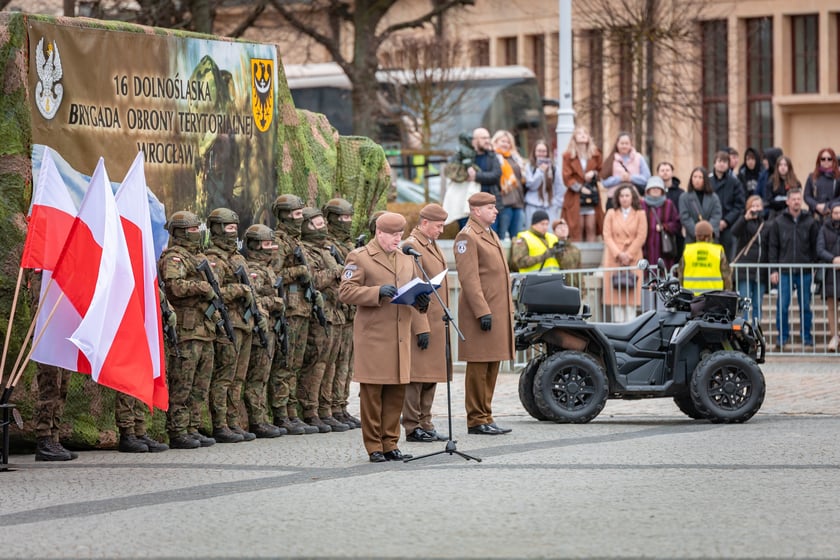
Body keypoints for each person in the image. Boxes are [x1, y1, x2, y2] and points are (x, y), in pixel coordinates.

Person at [339, 212, 429, 462]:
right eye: (393, 235)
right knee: (372, 394)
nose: (397, 239)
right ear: (379, 233)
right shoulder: (360, 257)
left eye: (400, 234)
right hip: (374, 337)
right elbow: (345, 291)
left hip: (400, 336)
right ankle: (374, 446)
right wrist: (376, 292)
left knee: (396, 393)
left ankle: (391, 443)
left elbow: (411, 290)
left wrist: (422, 303)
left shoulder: (406, 258)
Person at [453, 192, 515, 435]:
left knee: (492, 364)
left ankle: (486, 415)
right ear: (476, 210)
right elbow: (469, 279)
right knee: (479, 367)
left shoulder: (489, 233)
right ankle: (476, 418)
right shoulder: (467, 236)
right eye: (490, 207)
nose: (496, 211)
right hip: (481, 312)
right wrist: (482, 311)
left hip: (496, 310)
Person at [158, 210, 217, 449]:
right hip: (187, 329)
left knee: (199, 384)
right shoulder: (175, 257)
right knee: (182, 382)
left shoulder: (198, 257)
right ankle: (178, 430)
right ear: (181, 232)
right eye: (193, 230)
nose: (197, 234)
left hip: (204, 329)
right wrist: (202, 287)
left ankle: (192, 426)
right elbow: (174, 287)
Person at [205, 208, 257, 443]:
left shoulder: (239, 258)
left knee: (238, 377)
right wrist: (240, 290)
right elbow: (214, 293)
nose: (232, 232)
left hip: (244, 323)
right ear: (216, 229)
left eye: (235, 228)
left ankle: (234, 422)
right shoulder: (213, 259)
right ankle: (220, 424)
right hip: (229, 325)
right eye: (228, 228)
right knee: (224, 377)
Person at [268, 195, 318, 435]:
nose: (300, 219)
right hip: (289, 309)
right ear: (285, 215)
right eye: (297, 214)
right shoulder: (279, 242)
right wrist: (298, 270)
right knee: (284, 364)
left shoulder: (296, 242)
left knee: (296, 364)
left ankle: (291, 411)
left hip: (302, 309)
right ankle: (281, 413)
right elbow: (274, 274)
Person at [298, 207, 350, 433]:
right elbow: (314, 280)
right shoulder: (304, 250)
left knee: (332, 364)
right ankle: (311, 410)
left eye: (321, 223)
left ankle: (329, 408)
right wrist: (337, 272)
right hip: (322, 313)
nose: (321, 227)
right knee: (317, 363)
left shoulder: (327, 249)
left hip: (337, 311)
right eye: (314, 224)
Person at [402, 203, 450, 443]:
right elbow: (413, 288)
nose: (441, 230)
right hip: (422, 320)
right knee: (417, 377)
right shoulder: (412, 246)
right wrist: (420, 326)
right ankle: (412, 426)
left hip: (436, 320)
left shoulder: (431, 244)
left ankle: (426, 422)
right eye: (438, 226)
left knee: (431, 375)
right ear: (424, 223)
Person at [241, 224, 286, 438]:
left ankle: (261, 418)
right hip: (261, 328)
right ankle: (256, 420)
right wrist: (274, 301)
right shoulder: (253, 269)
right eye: (267, 244)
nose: (271, 248)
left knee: (264, 375)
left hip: (270, 327)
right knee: (257, 376)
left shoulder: (267, 268)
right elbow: (254, 299)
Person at [28, 271, 78, 461]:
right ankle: (44, 438)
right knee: (49, 386)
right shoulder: (42, 268)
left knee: (63, 384)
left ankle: (54, 437)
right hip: (47, 332)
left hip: (63, 326)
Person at [322, 198, 362, 428]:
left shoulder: (348, 245)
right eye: (342, 218)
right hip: (334, 308)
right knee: (330, 363)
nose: (347, 222)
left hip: (349, 311)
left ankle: (340, 405)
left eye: (349, 217)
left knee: (346, 363)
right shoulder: (328, 246)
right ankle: (327, 407)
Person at [768, 188, 819, 350]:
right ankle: (782, 338)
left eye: (799, 199)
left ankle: (807, 337)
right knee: (782, 306)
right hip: (784, 271)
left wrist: (815, 266)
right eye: (794, 199)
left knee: (805, 306)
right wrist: (773, 270)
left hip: (804, 271)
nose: (797, 201)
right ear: (788, 201)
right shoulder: (779, 221)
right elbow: (773, 247)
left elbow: (815, 245)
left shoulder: (810, 221)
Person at [602, 184, 648, 322]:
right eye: (621, 196)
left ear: (632, 197)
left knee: (631, 300)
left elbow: (641, 236)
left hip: (633, 259)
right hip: (614, 259)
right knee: (616, 300)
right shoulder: (611, 213)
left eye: (627, 195)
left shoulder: (640, 214)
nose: (624, 199)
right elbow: (607, 235)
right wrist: (619, 254)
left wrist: (628, 254)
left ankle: (631, 327)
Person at [562, 126, 604, 241]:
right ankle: (578, 257)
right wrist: (580, 188)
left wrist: (594, 173)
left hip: (592, 194)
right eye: (579, 133)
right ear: (574, 137)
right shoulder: (568, 156)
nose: (582, 135)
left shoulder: (596, 154)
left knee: (591, 226)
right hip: (575, 196)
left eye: (585, 132)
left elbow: (602, 171)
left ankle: (590, 257)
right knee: (577, 227)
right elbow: (566, 177)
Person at [731, 195, 769, 322]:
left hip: (760, 270)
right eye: (753, 205)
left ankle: (756, 330)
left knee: (758, 303)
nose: (756, 208)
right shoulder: (744, 222)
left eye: (758, 205)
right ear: (748, 208)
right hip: (745, 270)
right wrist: (744, 218)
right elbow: (734, 232)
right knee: (744, 302)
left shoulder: (766, 224)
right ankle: (743, 329)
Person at [709, 150, 746, 260]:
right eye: (719, 161)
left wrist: (726, 221)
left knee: (728, 258)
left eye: (725, 162)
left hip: (729, 226)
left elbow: (739, 205)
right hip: (710, 225)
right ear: (714, 163)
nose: (721, 164)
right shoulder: (708, 181)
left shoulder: (734, 182)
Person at [679, 220, 732, 294]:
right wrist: (728, 292)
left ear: (696, 235)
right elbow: (726, 276)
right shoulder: (717, 251)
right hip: (714, 297)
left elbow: (681, 274)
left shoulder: (688, 250)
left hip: (691, 297)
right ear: (710, 235)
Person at [640, 176, 680, 272]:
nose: (655, 190)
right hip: (646, 247)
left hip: (663, 249)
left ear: (662, 190)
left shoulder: (668, 204)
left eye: (658, 188)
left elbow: (677, 223)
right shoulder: (642, 204)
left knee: (663, 275)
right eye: (653, 188)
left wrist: (665, 227)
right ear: (648, 190)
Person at [492, 129, 526, 240]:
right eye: (503, 141)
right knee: (501, 236)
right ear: (496, 142)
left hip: (518, 201)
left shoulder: (516, 158)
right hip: (503, 202)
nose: (506, 144)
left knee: (517, 237)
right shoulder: (494, 157)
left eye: (508, 142)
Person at [466, 127, 502, 232]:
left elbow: (496, 175)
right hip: (470, 206)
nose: (487, 141)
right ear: (475, 140)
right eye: (483, 138)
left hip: (489, 206)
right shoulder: (467, 156)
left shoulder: (492, 156)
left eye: (488, 138)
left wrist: (476, 176)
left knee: (490, 238)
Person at [600, 131, 651, 202]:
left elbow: (646, 178)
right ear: (617, 144)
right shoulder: (610, 160)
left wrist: (631, 178)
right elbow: (604, 182)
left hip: (634, 198)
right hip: (614, 198)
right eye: (622, 143)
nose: (624, 146)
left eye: (627, 143)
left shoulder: (639, 158)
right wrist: (620, 178)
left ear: (631, 144)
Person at [817, 202, 840, 351]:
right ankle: (834, 336)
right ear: (831, 214)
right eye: (836, 213)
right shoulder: (824, 228)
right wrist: (833, 258)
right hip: (831, 274)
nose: (838, 216)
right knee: (831, 307)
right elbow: (819, 248)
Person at [524, 139, 563, 227]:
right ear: (534, 152)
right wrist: (540, 172)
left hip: (550, 206)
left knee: (550, 234)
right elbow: (531, 185)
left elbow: (559, 187)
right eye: (539, 151)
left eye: (544, 151)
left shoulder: (553, 167)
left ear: (547, 152)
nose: (541, 153)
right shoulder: (529, 166)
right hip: (532, 205)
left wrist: (556, 203)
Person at [679, 166, 722, 244]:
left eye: (700, 177)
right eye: (694, 177)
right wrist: (697, 232)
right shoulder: (684, 197)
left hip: (710, 238)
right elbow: (685, 217)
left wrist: (707, 232)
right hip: (692, 239)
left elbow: (716, 215)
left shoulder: (714, 197)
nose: (697, 180)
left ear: (705, 180)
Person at [804, 147, 840, 222]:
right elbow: (807, 196)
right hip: (814, 216)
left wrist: (829, 206)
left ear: (834, 160)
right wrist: (816, 206)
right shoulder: (812, 177)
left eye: (829, 159)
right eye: (823, 159)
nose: (826, 161)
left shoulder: (838, 177)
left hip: (833, 216)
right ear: (819, 161)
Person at [658, 161, 685, 259]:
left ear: (672, 172)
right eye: (662, 170)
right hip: (659, 230)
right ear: (658, 173)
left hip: (677, 231)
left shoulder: (681, 193)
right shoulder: (654, 192)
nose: (665, 172)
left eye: (667, 170)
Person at [764, 155, 801, 221]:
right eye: (780, 165)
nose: (783, 167)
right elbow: (769, 200)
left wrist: (779, 199)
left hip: (792, 214)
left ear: (789, 167)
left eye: (785, 165)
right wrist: (785, 201)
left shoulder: (796, 182)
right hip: (775, 214)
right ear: (777, 167)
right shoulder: (771, 181)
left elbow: (797, 199)